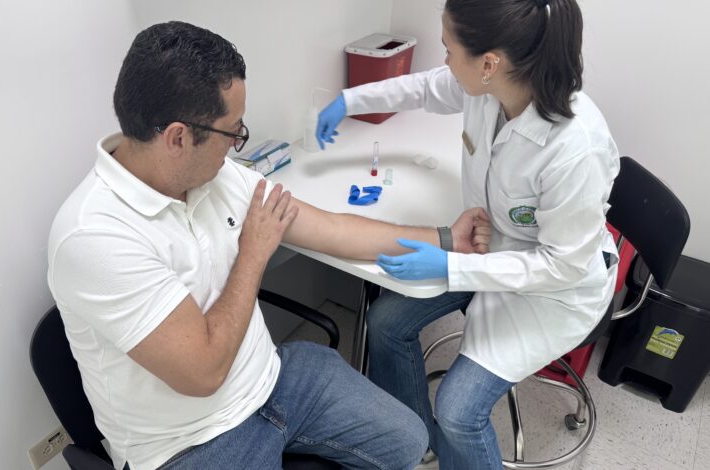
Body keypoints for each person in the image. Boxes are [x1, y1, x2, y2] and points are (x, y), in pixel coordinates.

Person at [47, 21, 492, 470]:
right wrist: (253, 253)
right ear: (178, 138)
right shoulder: (95, 237)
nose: (236, 145)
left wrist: (445, 238)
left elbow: (331, 229)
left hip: (273, 379)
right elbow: (204, 372)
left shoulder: (213, 175)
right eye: (231, 132)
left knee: (408, 441)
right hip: (193, 442)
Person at [316, 0, 620, 469]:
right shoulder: (487, 88)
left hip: (556, 291)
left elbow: (562, 265)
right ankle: (416, 440)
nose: (444, 61)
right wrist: (349, 101)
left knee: (458, 411)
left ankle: (452, 440)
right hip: (488, 250)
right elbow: (422, 88)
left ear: (489, 63)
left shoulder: (576, 148)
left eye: (448, 48)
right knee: (385, 323)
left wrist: (451, 266)